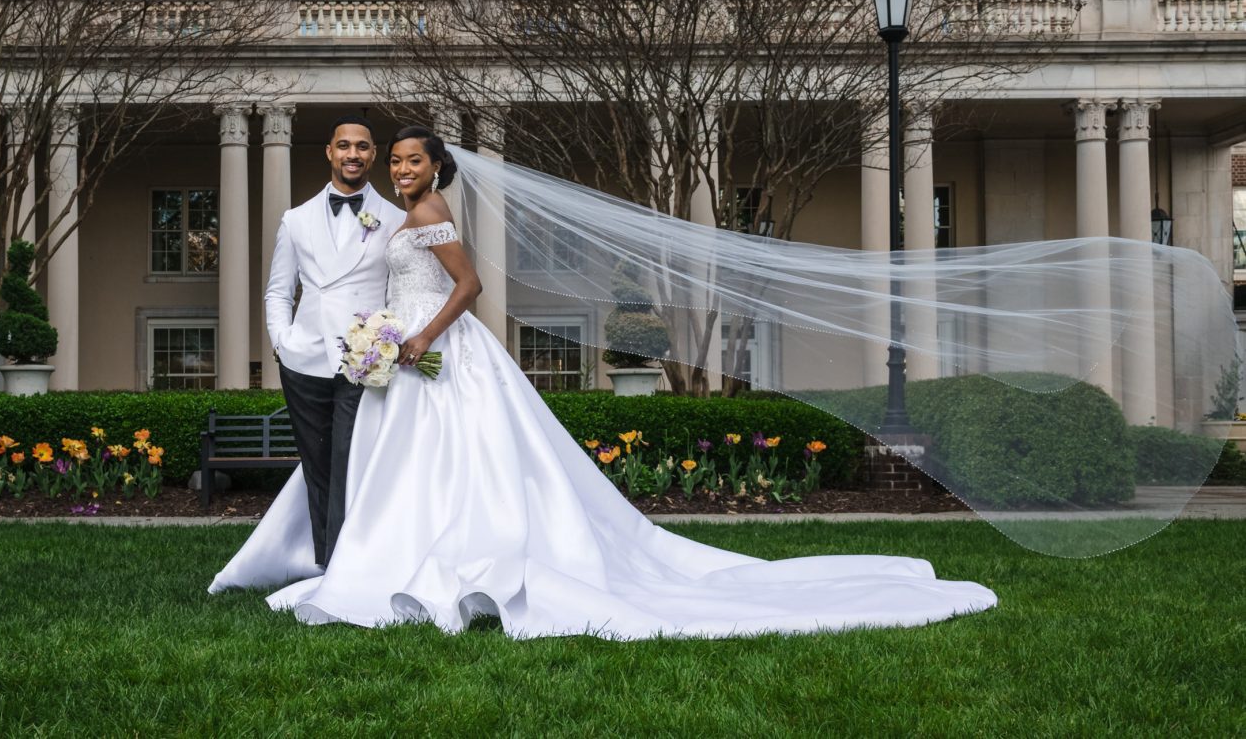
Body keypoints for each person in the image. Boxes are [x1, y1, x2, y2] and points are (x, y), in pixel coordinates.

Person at [215, 126, 996, 640]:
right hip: (402, 360)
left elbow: (469, 286)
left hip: (440, 353)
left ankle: (435, 566)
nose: (398, 168)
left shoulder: (427, 213)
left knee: (462, 462)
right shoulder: (390, 215)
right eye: (394, 161)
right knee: (409, 469)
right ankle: (386, 559)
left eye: (408, 160)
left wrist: (416, 334)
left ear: (435, 167)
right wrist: (380, 337)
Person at [263, 116, 405, 568]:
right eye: (343, 145)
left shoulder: (396, 219)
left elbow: (397, 293)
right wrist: (281, 342)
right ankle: (327, 563)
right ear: (329, 152)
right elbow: (278, 291)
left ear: (372, 154)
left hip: (364, 365)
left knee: (351, 463)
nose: (352, 154)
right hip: (303, 361)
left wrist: (388, 346)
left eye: (362, 147)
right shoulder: (296, 219)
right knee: (317, 468)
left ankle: (354, 564)